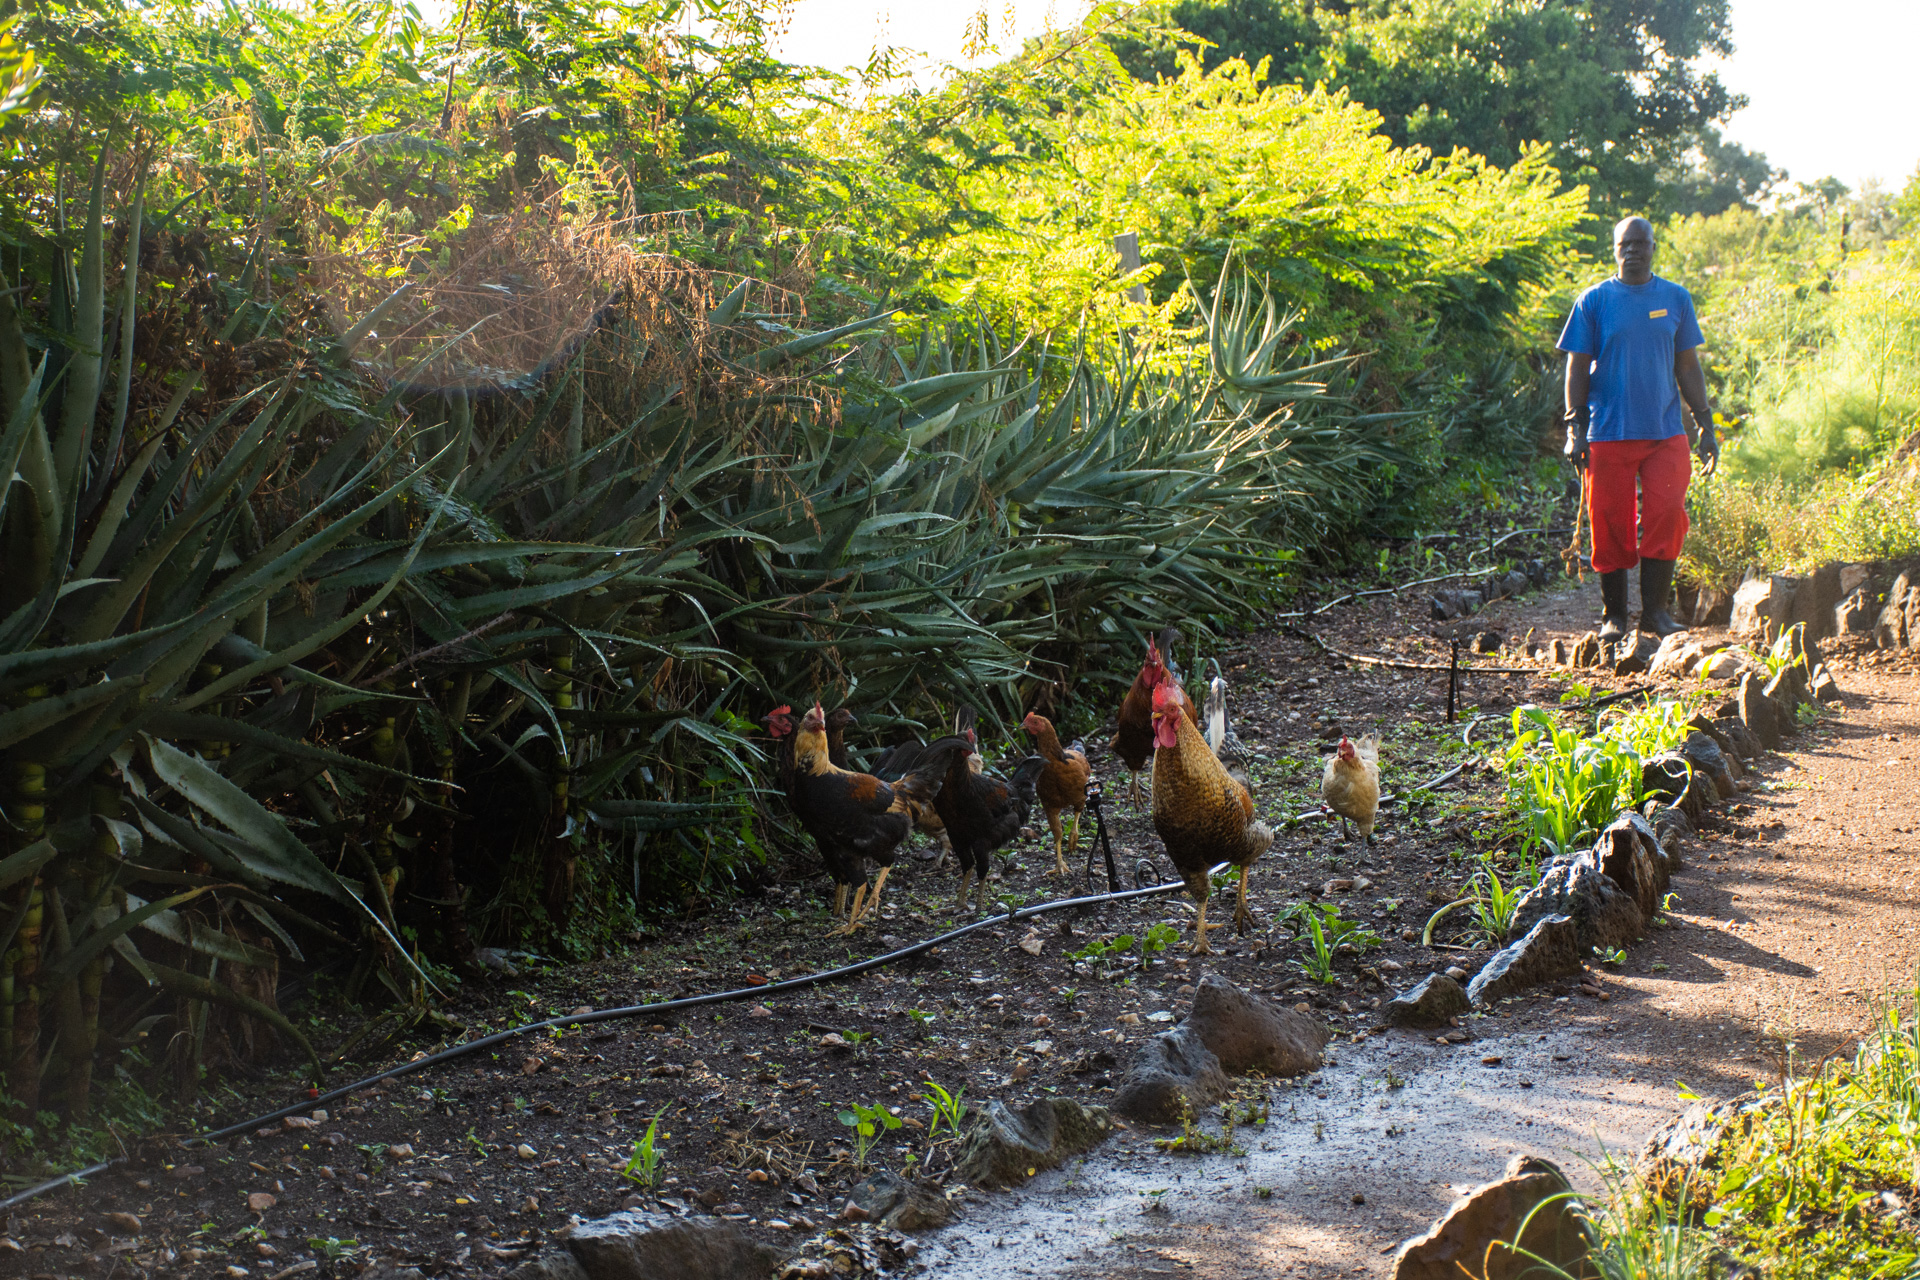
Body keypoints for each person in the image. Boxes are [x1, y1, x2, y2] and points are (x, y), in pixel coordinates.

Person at [1558, 216, 1720, 640]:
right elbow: (1575, 367)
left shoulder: (1676, 298)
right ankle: (1614, 616)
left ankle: (1655, 614)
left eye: (1639, 243)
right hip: (1608, 432)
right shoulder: (1594, 301)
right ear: (1614, 249)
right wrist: (1575, 428)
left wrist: (1705, 423)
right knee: (1610, 521)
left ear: (1653, 246)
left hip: (1665, 431)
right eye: (1623, 244)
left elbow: (1688, 365)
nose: (1631, 250)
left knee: (1667, 515)